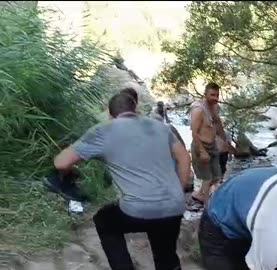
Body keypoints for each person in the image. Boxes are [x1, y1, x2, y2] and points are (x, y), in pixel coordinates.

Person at [53, 92, 191, 270]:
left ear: (110, 114)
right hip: (174, 206)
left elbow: (60, 163)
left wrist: (74, 170)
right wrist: (178, 190)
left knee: (104, 221)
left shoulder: (103, 130)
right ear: (136, 109)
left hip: (138, 209)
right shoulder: (160, 127)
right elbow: (184, 158)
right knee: (165, 253)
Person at [190, 82, 227, 204]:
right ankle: (206, 207)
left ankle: (200, 194)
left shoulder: (214, 107)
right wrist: (202, 151)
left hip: (212, 146)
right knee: (207, 178)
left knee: (217, 177)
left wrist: (225, 142)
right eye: (212, 95)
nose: (215, 98)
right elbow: (194, 132)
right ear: (205, 94)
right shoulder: (198, 110)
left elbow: (217, 123)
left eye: (217, 95)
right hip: (201, 146)